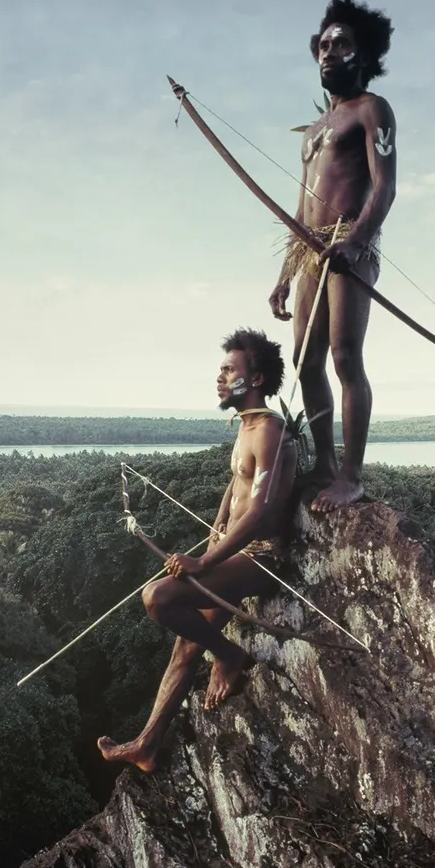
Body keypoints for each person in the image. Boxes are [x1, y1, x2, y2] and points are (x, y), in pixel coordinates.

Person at [97, 329, 299, 773]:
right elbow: (237, 486)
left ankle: (230, 656)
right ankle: (146, 746)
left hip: (262, 556)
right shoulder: (246, 427)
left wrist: (207, 561)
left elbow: (262, 508)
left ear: (257, 378)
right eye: (221, 369)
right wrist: (217, 528)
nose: (220, 378)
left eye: (230, 370)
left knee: (159, 597)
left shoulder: (268, 431)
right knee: (186, 646)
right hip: (234, 553)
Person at [269, 0, 397, 512]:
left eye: (340, 43)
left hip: (350, 246)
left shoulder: (372, 110)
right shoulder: (316, 131)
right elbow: (302, 208)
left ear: (361, 54)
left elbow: (385, 188)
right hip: (309, 252)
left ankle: (351, 474)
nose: (328, 52)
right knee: (305, 359)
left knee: (345, 356)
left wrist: (356, 241)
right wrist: (284, 274)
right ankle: (324, 461)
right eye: (322, 45)